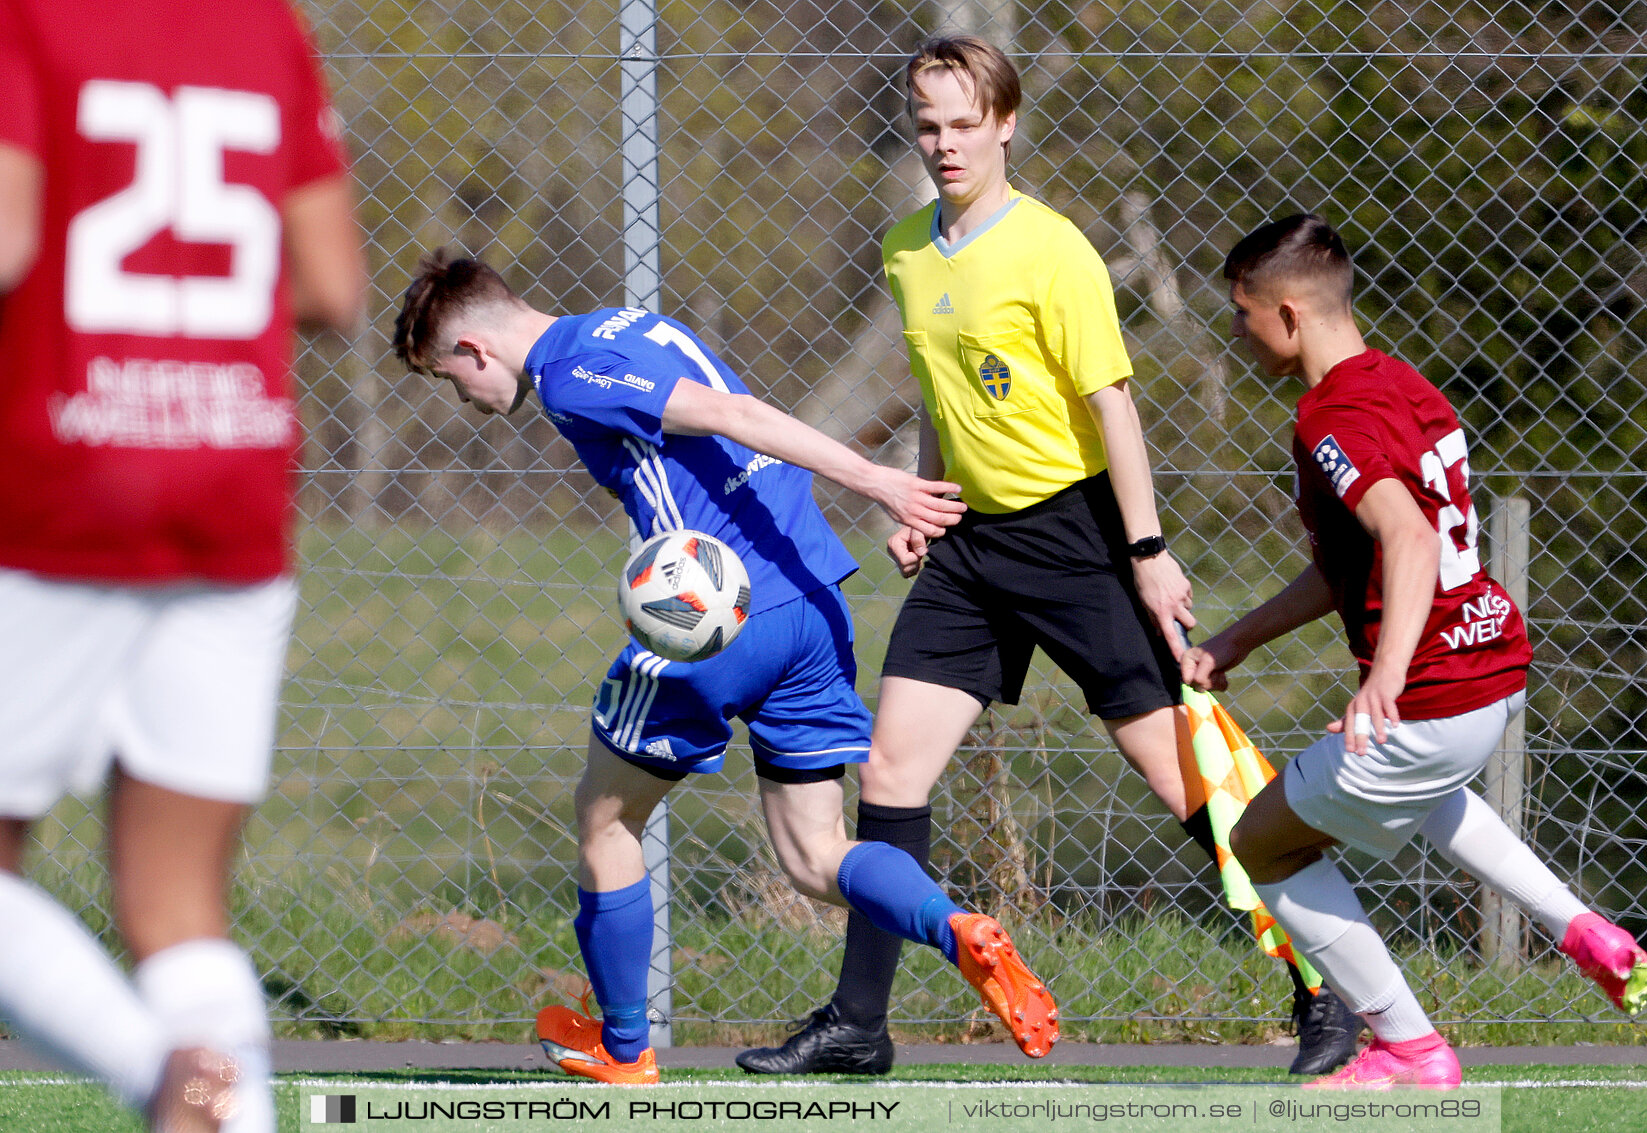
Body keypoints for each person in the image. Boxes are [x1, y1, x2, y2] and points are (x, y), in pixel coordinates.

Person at [737, 34, 1360, 1078]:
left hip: (1074, 539)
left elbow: (1110, 407)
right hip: (971, 550)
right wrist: (924, 497)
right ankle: (858, 1021)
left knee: (1182, 777)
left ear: (1006, 124)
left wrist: (1148, 551)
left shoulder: (1055, 249)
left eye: (964, 124)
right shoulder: (905, 248)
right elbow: (946, 388)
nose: (944, 143)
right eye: (928, 123)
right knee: (890, 768)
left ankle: (1328, 986)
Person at [390, 250, 1059, 1085]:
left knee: (604, 820)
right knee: (818, 856)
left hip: (716, 617)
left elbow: (733, 413)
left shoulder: (568, 373)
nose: (467, 401)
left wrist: (876, 479)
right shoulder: (631, 325)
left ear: (474, 351)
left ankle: (624, 1048)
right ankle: (957, 926)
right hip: (812, 604)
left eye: (450, 381)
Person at [1184, 213, 1647, 1089]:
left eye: (1242, 313)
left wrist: (1386, 684)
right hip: (1493, 671)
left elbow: (1405, 540)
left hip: (1433, 695)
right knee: (1428, 794)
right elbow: (1356, 562)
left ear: (1288, 314)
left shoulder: (1332, 414)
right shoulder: (1409, 387)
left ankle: (1407, 1045)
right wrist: (1237, 639)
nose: (1237, 332)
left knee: (1263, 845)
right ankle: (1580, 927)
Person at [0, 1, 366, 1130]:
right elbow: (333, 288)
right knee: (181, 907)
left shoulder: (30, 20)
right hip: (232, 483)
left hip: (64, 481)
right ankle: (224, 1105)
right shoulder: (263, 28)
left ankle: (167, 1080)